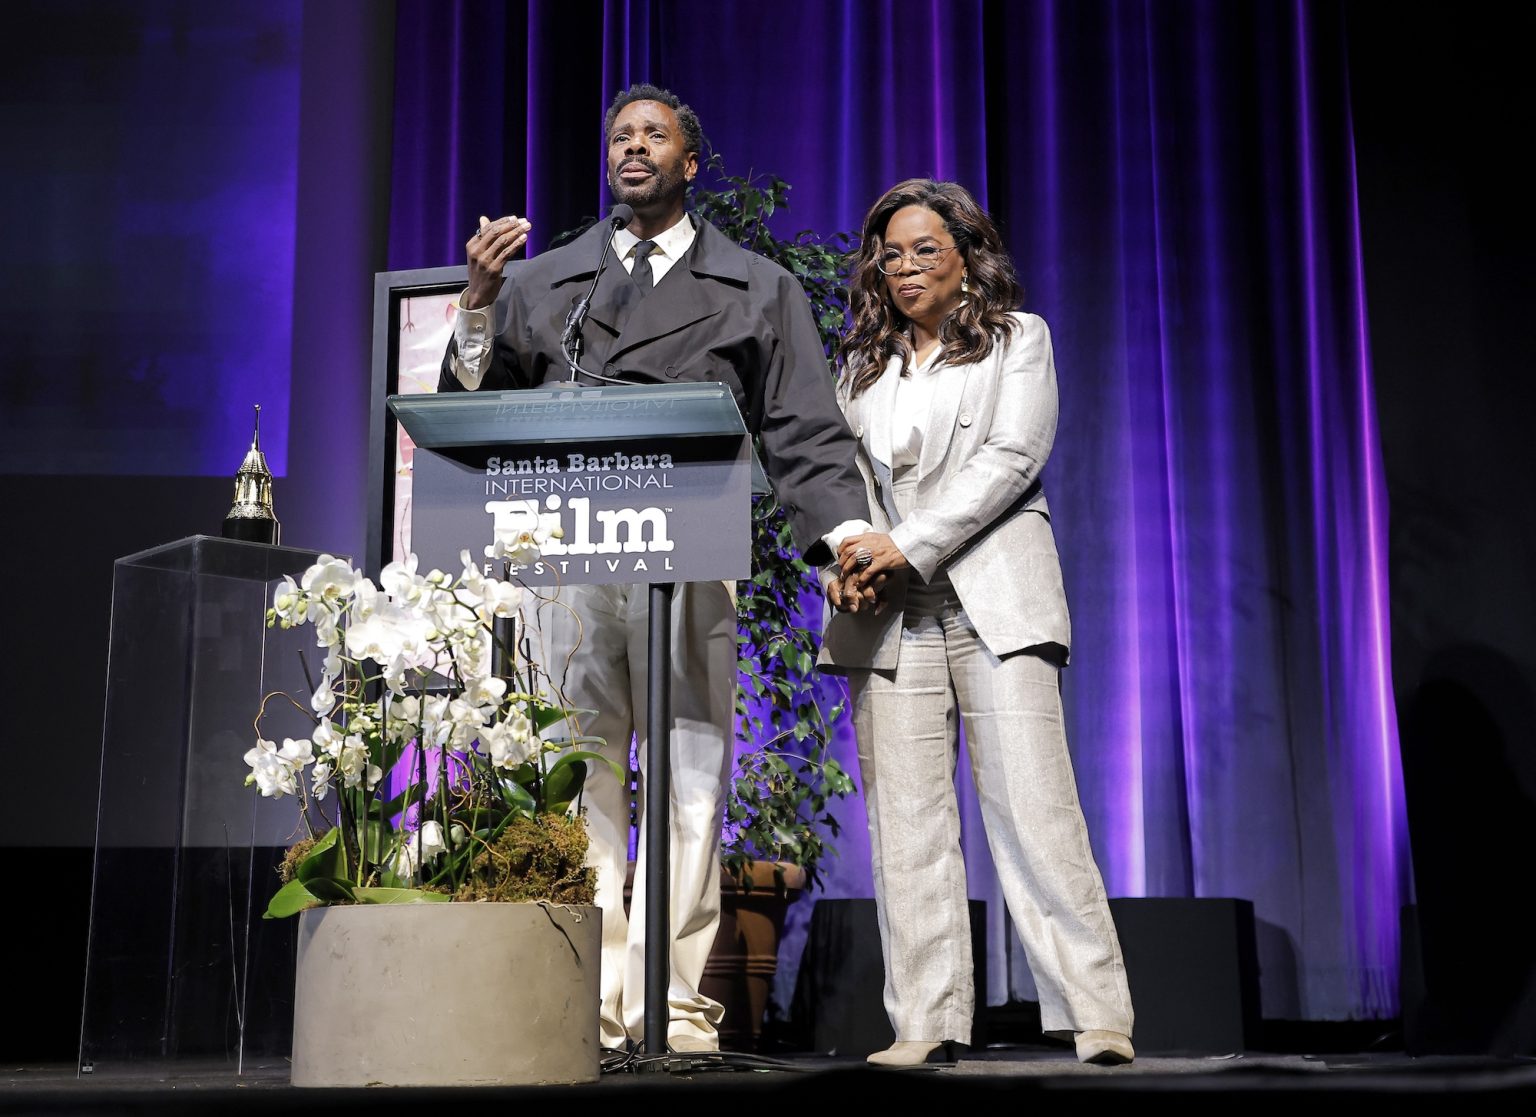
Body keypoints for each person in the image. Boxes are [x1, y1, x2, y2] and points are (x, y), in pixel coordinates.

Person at [438, 84, 869, 1053]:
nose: (633, 148)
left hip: (686, 549)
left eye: (653, 135)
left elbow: (803, 428)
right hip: (565, 554)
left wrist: (840, 540)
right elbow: (472, 410)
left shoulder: (757, 287)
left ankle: (669, 1001)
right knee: (576, 775)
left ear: (690, 162)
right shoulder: (548, 282)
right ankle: (586, 996)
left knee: (689, 776)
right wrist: (475, 302)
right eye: (619, 136)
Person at [820, 179, 1136, 1067]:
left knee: (1037, 811)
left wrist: (904, 544)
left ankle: (1095, 1012)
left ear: (966, 256)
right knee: (908, 826)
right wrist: (847, 560)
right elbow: (840, 484)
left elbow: (1011, 459)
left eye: (927, 248)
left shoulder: (1015, 340)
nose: (907, 266)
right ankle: (925, 1020)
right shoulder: (862, 366)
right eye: (892, 253)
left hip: (994, 601)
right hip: (892, 614)